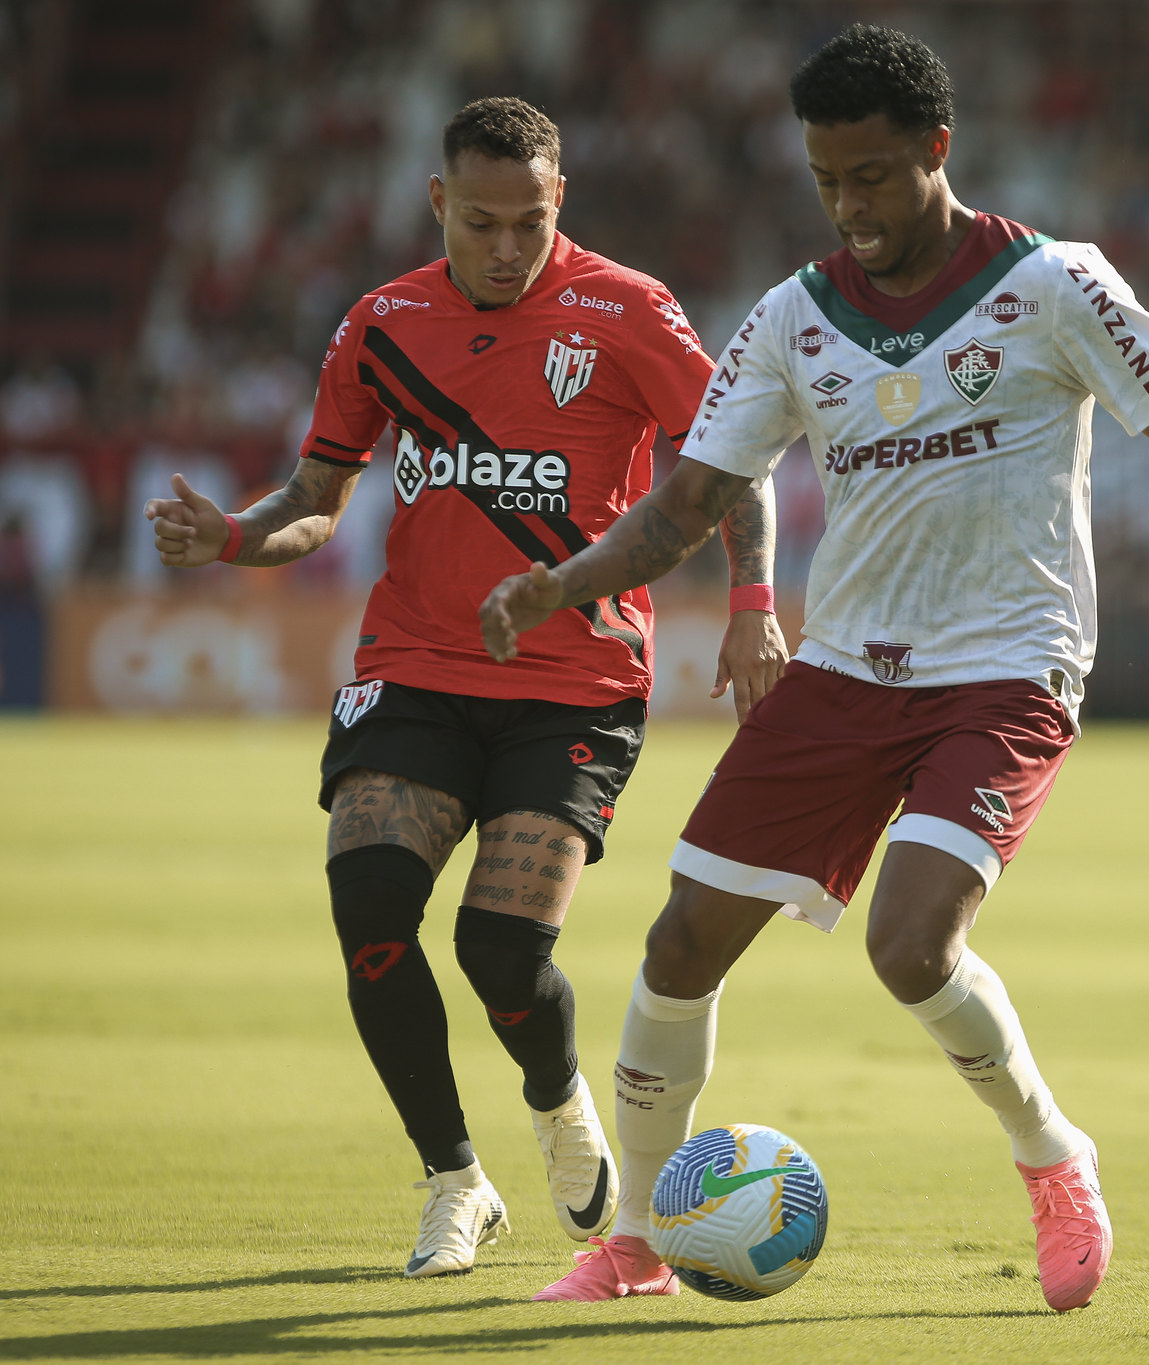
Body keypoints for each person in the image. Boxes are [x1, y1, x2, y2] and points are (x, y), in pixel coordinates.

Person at [482, 27, 1149, 1311]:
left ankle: (1053, 1157)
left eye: (871, 176)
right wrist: (564, 582)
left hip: (1008, 670)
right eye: (826, 180)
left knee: (910, 946)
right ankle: (634, 1243)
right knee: (679, 944)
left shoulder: (1052, 284)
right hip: (848, 672)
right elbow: (690, 498)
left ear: (935, 151)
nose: (849, 207)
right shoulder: (792, 319)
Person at [145, 97, 786, 1279]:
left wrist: (752, 604)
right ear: (439, 202)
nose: (505, 247)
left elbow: (729, 461)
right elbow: (314, 501)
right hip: (416, 668)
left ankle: (556, 1104)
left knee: (500, 955)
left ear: (561, 204)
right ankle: (454, 1180)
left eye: (529, 223)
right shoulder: (382, 324)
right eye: (481, 222)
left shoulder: (627, 311)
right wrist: (231, 538)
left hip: (573, 682)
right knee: (373, 914)